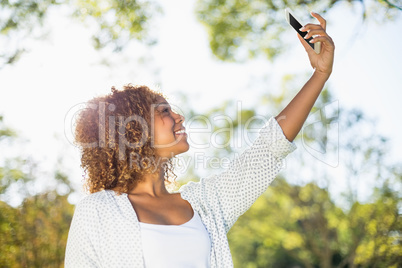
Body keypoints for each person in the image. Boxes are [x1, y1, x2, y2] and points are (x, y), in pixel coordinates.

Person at [65, 12, 334, 268]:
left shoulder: (205, 204)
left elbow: (269, 148)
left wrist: (319, 74)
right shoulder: (98, 210)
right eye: (164, 111)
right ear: (133, 130)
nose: (179, 117)